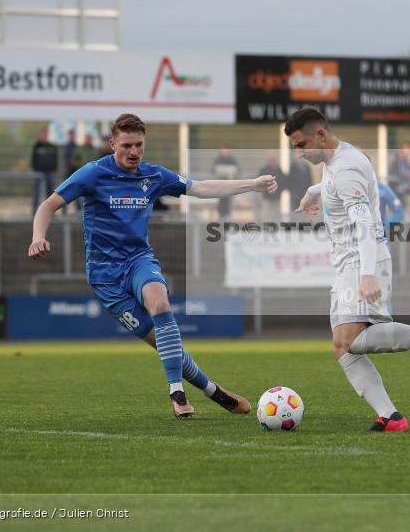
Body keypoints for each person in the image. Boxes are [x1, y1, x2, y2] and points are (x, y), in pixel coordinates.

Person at [28, 113, 277, 418]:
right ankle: (214, 391)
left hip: (138, 260)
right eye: (127, 145)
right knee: (165, 345)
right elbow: (48, 204)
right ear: (112, 144)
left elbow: (201, 188)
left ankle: (177, 393)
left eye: (139, 145)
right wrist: (37, 237)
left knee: (160, 305)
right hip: (105, 277)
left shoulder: (153, 176)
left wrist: (251, 184)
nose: (134, 152)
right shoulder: (92, 174)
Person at [286, 107, 410, 432]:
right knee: (342, 346)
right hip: (346, 263)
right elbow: (345, 184)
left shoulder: (346, 168)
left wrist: (367, 274)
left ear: (321, 135)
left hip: (361, 259)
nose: (299, 154)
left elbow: (366, 224)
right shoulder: (338, 160)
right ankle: (391, 417)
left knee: (351, 338)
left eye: (301, 145)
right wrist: (314, 192)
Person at [31, 129, 58, 213]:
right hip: (39, 173)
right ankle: (34, 211)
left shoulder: (52, 147)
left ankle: (50, 211)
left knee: (50, 192)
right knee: (37, 192)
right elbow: (33, 160)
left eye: (46, 134)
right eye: (43, 134)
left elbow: (55, 159)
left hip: (50, 172)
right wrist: (36, 170)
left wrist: (54, 169)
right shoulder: (36, 146)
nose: (44, 136)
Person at [211, 145, 240, 219]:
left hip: (230, 188)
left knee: (229, 204)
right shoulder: (218, 160)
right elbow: (213, 170)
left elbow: (237, 172)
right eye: (224, 151)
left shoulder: (233, 160)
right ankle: (221, 218)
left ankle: (228, 218)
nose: (225, 152)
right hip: (220, 187)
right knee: (221, 204)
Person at [256, 153, 285, 222]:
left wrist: (279, 190)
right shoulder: (264, 169)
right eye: (271, 159)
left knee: (277, 215)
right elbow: (259, 182)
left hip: (277, 196)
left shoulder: (279, 169)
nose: (272, 161)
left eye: (274, 160)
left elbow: (283, 181)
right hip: (267, 197)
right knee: (267, 215)